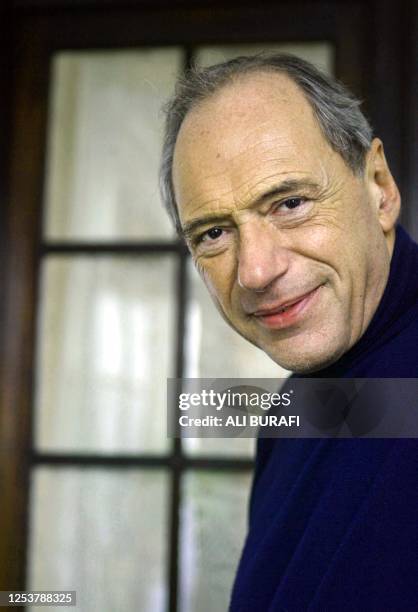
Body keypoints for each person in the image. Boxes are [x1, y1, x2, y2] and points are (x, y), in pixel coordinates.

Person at [160, 54, 418, 610]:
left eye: (290, 203)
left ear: (379, 187)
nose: (256, 271)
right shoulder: (296, 407)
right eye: (213, 233)